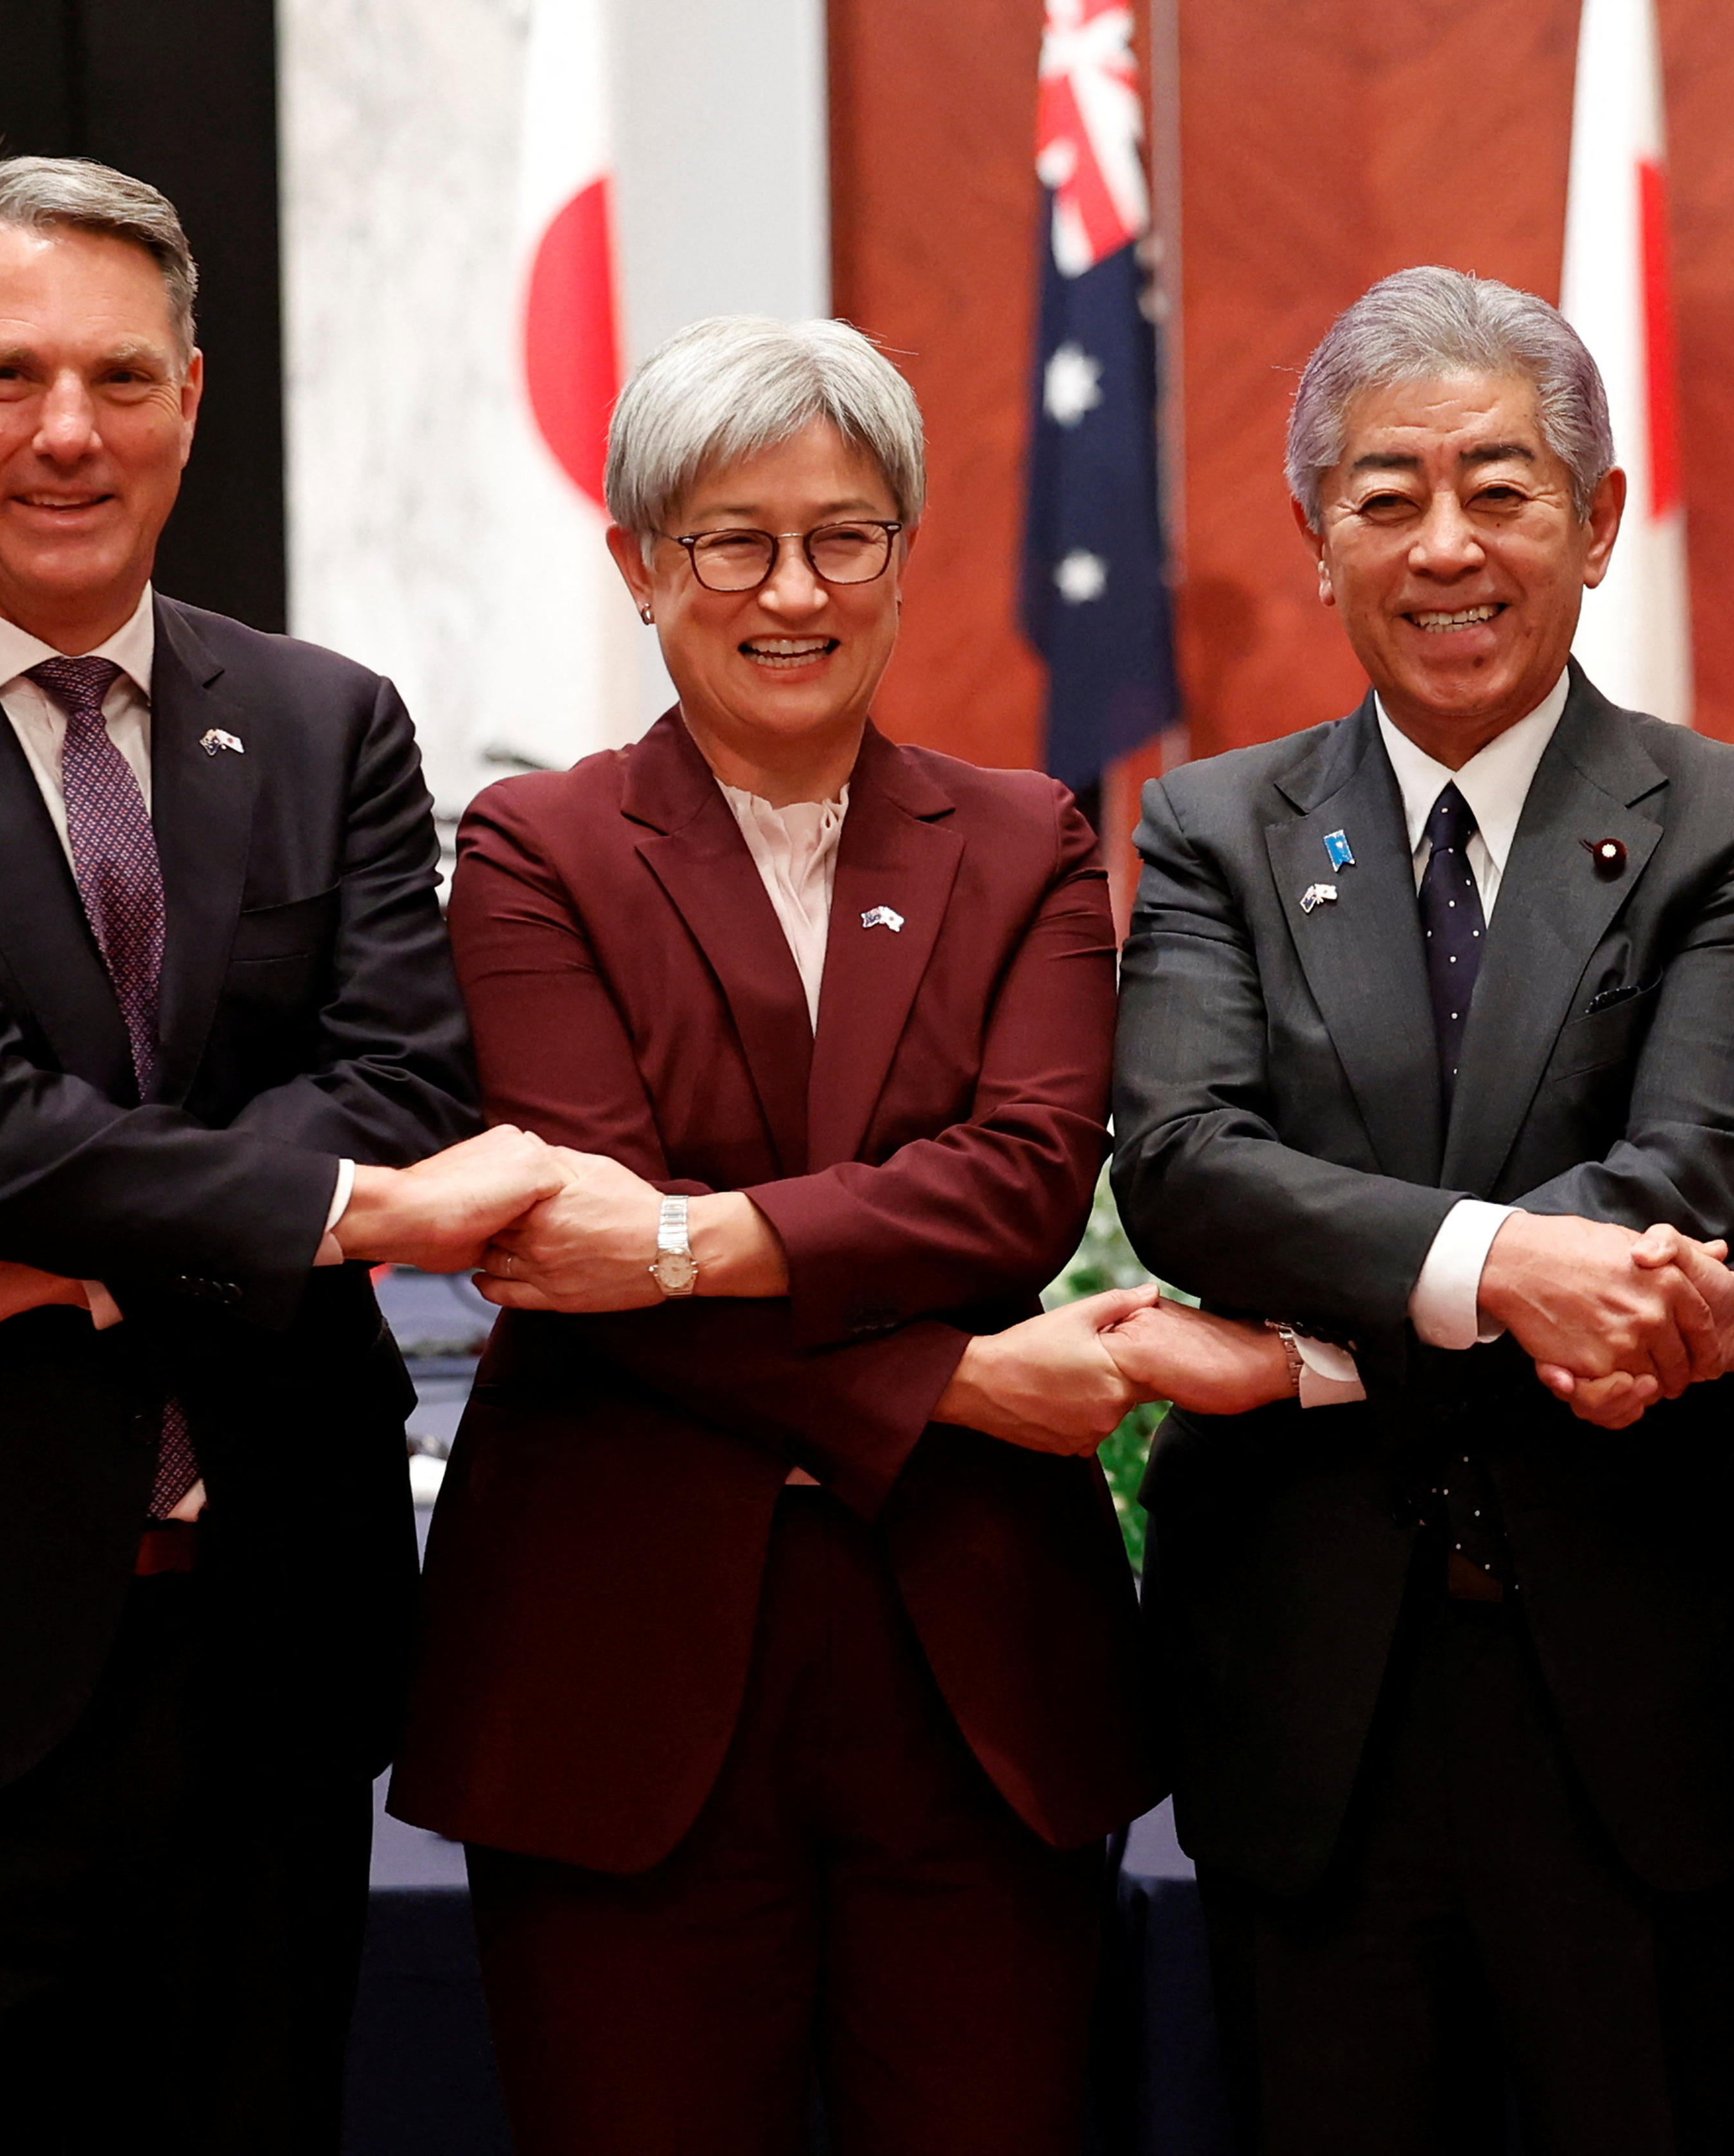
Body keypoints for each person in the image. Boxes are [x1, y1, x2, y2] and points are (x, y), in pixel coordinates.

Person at [0, 157, 559, 2153]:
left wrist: (57, 1271)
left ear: (193, 399)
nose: (72, 432)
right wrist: (336, 1221)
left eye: (123, 378)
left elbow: (397, 1083)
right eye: (12, 377)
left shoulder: (331, 725)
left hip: (264, 1649)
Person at [384, 314, 1273, 2156]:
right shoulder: (534, 847)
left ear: (901, 553)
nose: (791, 588)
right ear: (642, 564)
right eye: (732, 539)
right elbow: (575, 1239)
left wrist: (699, 1244)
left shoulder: (1026, 836)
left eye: (843, 535)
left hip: (972, 1676)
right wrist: (954, 1378)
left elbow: (1024, 1180)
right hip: (614, 1667)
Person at [1105, 266, 1734, 2155]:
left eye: (1502, 486)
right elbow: (1185, 1166)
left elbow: (1683, 1191)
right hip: (1319, 1717)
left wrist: (1319, 1336)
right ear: (1313, 541)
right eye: (1385, 497)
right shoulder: (1212, 831)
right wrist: (1498, 1266)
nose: (1444, 545)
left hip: (1657, 1697)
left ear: (1601, 517)